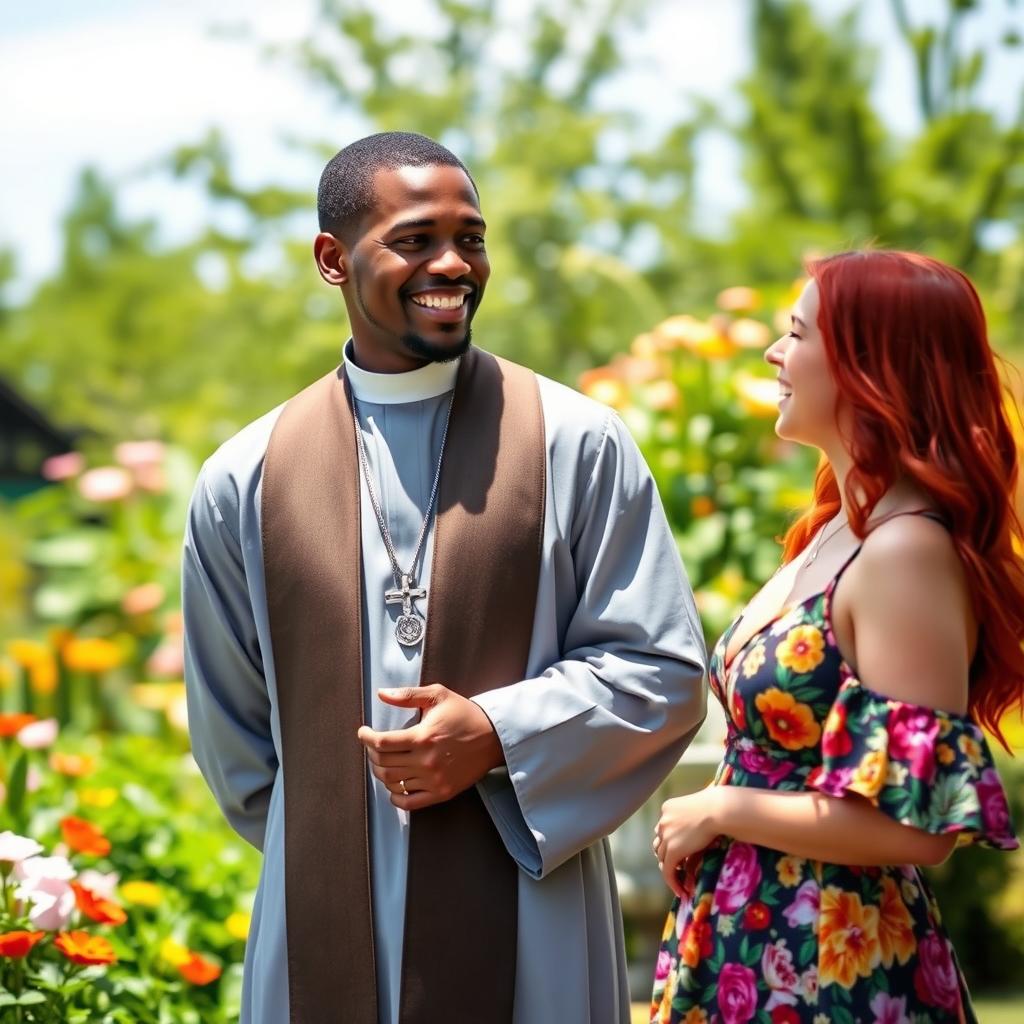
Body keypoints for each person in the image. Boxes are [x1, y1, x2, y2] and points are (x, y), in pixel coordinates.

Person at [182, 130, 707, 1024]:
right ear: (331, 259)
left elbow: (661, 670)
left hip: (526, 916)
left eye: (471, 238)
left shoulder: (575, 444)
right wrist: (347, 845)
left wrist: (499, 735)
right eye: (417, 239)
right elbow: (235, 737)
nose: (454, 264)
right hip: (324, 925)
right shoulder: (249, 477)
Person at [649, 250, 1023, 1024]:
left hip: (832, 963)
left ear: (868, 365)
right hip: (755, 940)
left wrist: (721, 809)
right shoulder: (836, 532)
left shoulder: (906, 552)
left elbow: (917, 829)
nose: (773, 354)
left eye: (796, 334)